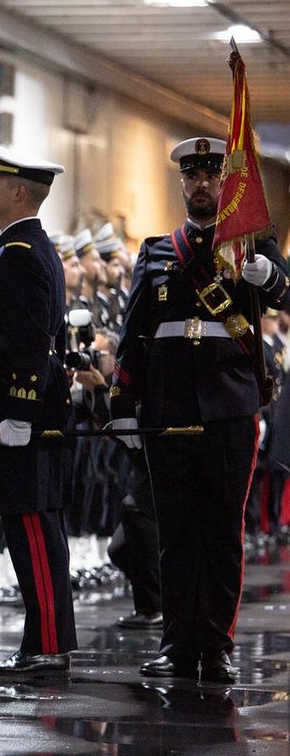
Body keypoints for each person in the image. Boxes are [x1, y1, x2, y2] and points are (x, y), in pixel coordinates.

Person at [111, 137, 290, 684]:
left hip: (229, 408)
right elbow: (134, 334)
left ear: (226, 183)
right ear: (182, 184)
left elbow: (287, 297)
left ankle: (215, 645)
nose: (202, 184)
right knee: (176, 533)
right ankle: (176, 644)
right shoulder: (157, 252)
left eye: (212, 175)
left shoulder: (252, 245)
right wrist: (122, 403)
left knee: (220, 531)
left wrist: (270, 279)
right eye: (192, 176)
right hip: (167, 408)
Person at [0, 144, 75, 678]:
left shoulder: (21, 253)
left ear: (16, 192)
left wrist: (21, 412)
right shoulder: (21, 247)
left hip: (19, 414)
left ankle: (47, 647)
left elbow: (34, 339)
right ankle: (45, 641)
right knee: (31, 525)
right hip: (16, 409)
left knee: (32, 527)